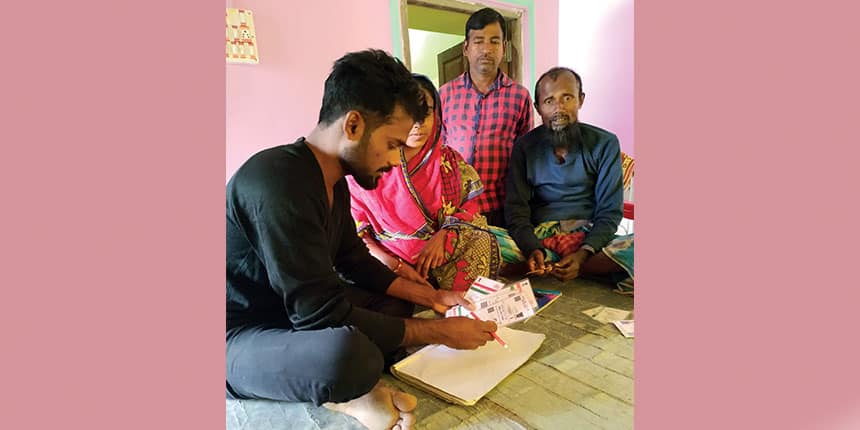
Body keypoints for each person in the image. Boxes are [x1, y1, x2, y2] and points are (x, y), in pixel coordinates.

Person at [226, 50, 498, 430]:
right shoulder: (278, 182)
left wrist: (432, 297)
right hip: (242, 334)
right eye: (392, 144)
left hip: (291, 317)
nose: (395, 159)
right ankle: (346, 397)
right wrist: (439, 332)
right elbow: (321, 316)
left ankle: (349, 392)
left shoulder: (333, 181)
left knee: (393, 302)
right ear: (353, 125)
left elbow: (354, 262)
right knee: (348, 355)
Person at [348, 74, 501, 293]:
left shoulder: (449, 160)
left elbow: (470, 209)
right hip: (388, 256)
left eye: (426, 112)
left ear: (436, 114)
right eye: (408, 113)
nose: (418, 123)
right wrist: (394, 264)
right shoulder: (370, 165)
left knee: (480, 239)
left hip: (442, 251)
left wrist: (446, 234)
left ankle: (463, 310)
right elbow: (358, 231)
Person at [501, 67, 634, 292]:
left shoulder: (605, 143)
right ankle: (552, 262)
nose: (558, 109)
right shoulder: (524, 148)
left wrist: (583, 253)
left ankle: (569, 266)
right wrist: (533, 248)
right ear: (538, 108)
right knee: (476, 240)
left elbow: (610, 212)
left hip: (590, 237)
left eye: (567, 98)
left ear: (580, 100)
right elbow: (516, 210)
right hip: (540, 237)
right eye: (549, 101)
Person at [438, 7, 533, 228]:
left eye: (494, 41)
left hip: (501, 208)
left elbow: (525, 157)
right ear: (466, 48)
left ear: (504, 48)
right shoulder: (444, 95)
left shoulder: (519, 96)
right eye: (479, 41)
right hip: (455, 209)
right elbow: (437, 152)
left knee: (502, 262)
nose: (486, 50)